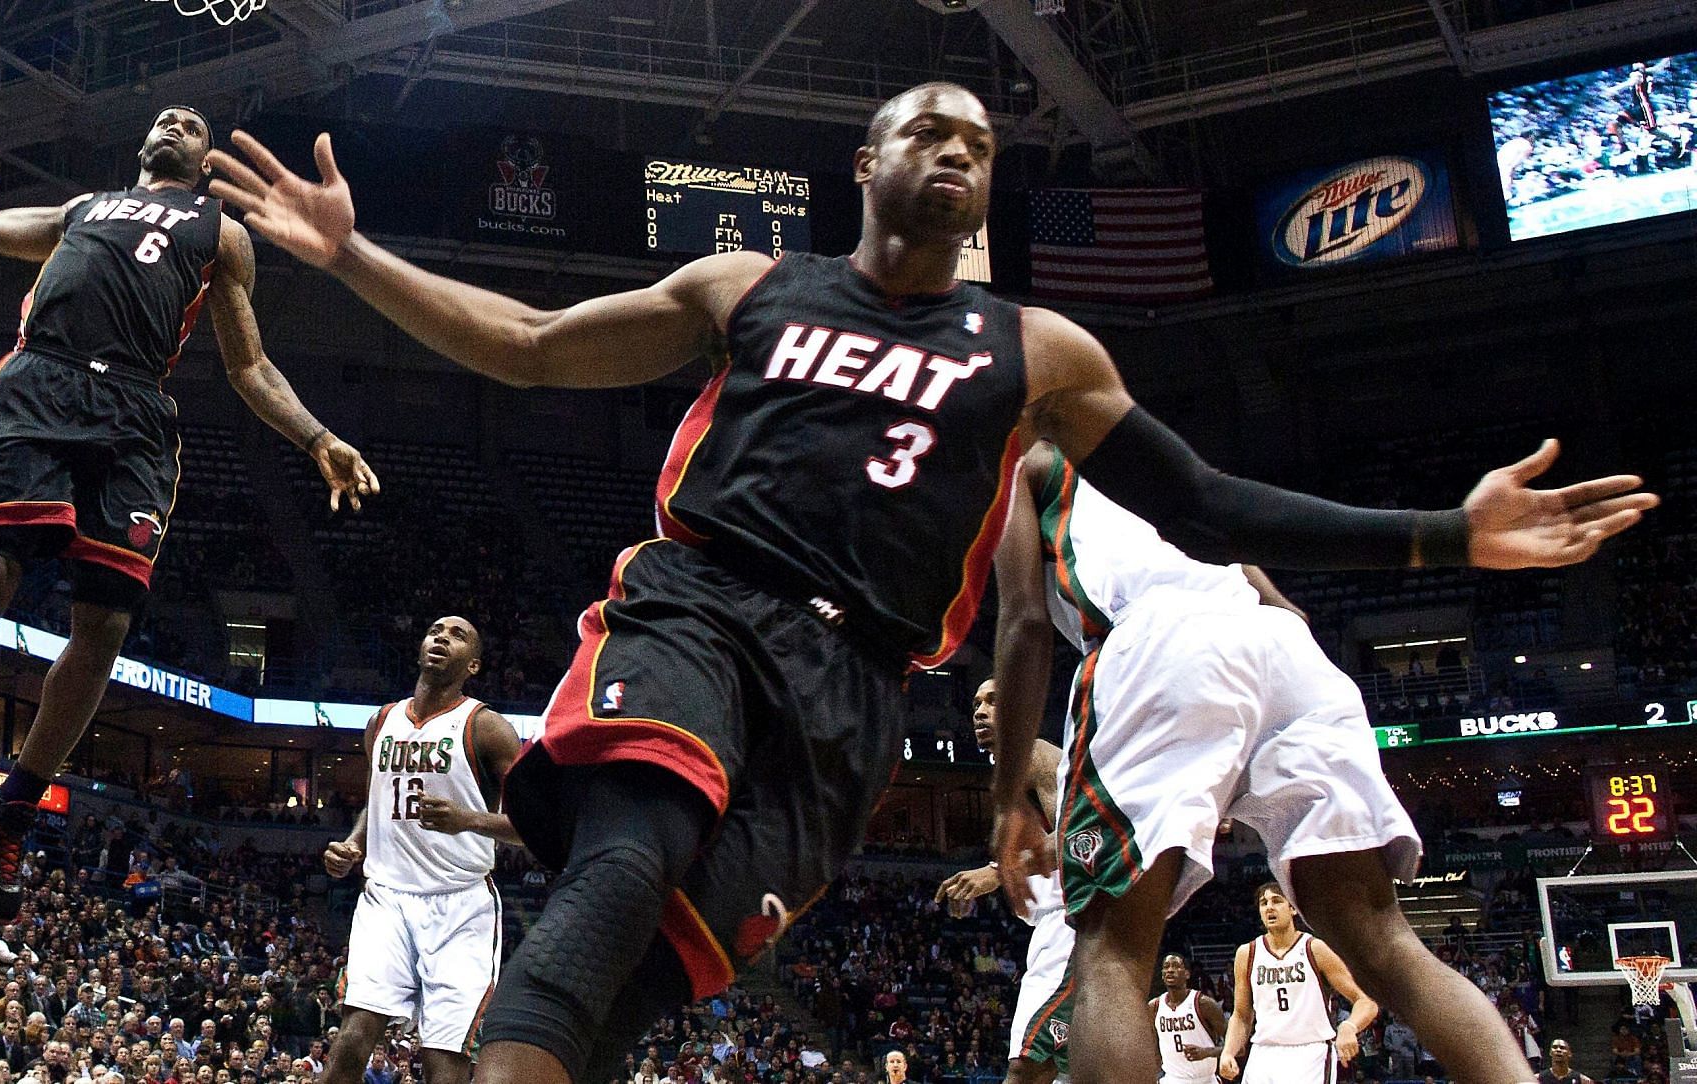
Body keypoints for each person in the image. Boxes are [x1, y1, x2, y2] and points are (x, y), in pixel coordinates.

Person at [210, 81, 1653, 1084]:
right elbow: (526, 344)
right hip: (705, 603)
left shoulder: (1041, 353)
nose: (957, 148)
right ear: (868, 163)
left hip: (858, 689)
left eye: (976, 139)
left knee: (654, 974)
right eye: (926, 131)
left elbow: (1205, 502)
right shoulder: (749, 288)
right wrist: (354, 257)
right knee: (627, 851)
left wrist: (1443, 536)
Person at [0, 105, 379, 922]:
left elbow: (250, 365)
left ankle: (16, 809)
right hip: (38, 384)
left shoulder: (220, 234)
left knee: (106, 630)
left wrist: (318, 438)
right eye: (166, 117)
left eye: (194, 123)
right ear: (141, 143)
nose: (176, 121)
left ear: (202, 161)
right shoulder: (80, 210)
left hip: (133, 414)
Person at [986, 441, 1585, 1084]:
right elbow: (1282, 603)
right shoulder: (1146, 454)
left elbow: (1023, 621)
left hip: (1155, 642)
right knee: (1386, 944)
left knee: (1110, 956)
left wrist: (1006, 802)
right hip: (1284, 649)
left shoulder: (1027, 464)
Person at [319, 616, 523, 1084]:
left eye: (458, 635)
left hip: (461, 905)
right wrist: (352, 845)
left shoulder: (487, 728)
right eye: (435, 631)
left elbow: (535, 827)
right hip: (386, 898)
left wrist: (467, 820)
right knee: (352, 1039)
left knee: (443, 1065)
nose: (441, 638)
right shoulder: (381, 722)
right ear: (419, 648)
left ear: (473, 664)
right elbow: (376, 800)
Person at [934, 679, 1070, 1084]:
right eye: (976, 703)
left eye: (994, 701)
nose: (979, 711)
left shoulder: (1034, 755)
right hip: (1056, 927)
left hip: (1073, 924)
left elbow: (1080, 835)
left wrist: (994, 874)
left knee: (1025, 1065)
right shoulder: (1009, 772)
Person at [1218, 884, 1377, 1084]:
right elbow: (1241, 1015)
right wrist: (1228, 1052)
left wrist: (1349, 1026)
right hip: (1263, 1053)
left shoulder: (1314, 949)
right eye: (1263, 903)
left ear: (1293, 908)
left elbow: (1366, 1002)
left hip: (1310, 1053)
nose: (1269, 908)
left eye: (1276, 901)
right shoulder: (1247, 954)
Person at [1154, 955, 1225, 1084]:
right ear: (1162, 975)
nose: (1170, 970)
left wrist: (1206, 1052)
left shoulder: (1204, 1004)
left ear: (1187, 974)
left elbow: (1235, 1048)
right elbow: (1151, 1047)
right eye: (1166, 967)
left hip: (1206, 1080)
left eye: (1176, 966)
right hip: (1172, 1079)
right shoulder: (1154, 1007)